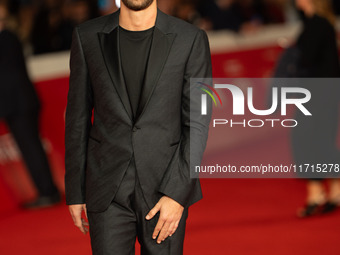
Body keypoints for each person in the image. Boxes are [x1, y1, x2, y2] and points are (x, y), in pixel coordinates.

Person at [64, 0, 212, 254]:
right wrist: (76, 191)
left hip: (164, 187)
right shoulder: (86, 36)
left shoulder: (191, 39)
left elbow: (198, 122)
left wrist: (177, 194)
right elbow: (77, 117)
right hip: (106, 186)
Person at [0, 2, 60, 209]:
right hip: (23, 102)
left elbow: (7, 77)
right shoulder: (10, 37)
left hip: (18, 105)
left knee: (31, 148)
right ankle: (48, 190)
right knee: (32, 147)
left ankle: (47, 191)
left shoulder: (5, 38)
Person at [292, 0, 340, 217]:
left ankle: (316, 193)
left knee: (305, 141)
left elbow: (306, 59)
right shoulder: (322, 22)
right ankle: (336, 192)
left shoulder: (316, 24)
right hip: (326, 92)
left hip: (317, 94)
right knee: (322, 141)